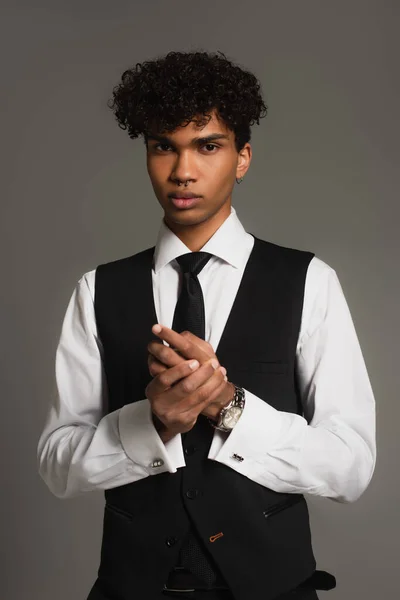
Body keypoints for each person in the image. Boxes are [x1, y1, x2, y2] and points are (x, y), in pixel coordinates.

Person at [37, 50, 376, 600]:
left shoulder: (309, 280)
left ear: (243, 157)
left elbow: (350, 467)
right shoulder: (97, 290)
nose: (182, 171)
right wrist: (151, 424)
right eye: (163, 147)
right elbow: (56, 464)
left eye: (208, 146)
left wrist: (229, 406)